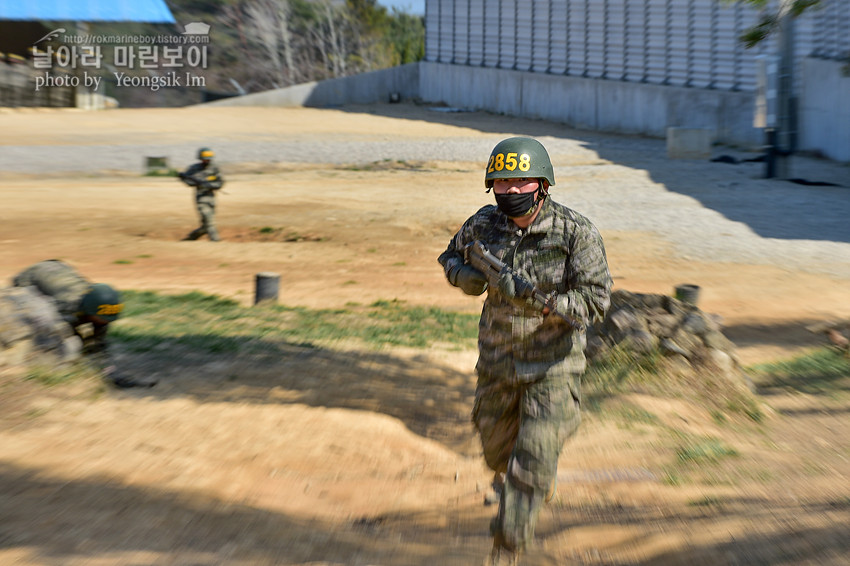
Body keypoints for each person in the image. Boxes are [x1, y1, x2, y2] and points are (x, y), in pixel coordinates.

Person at [437, 137, 612, 564]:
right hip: (498, 362)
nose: (511, 191)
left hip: (553, 367)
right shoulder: (483, 224)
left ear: (543, 184)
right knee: (496, 450)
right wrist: (463, 277)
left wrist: (537, 298)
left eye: (521, 181)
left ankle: (507, 544)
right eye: (501, 182)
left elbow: (594, 303)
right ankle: (523, 481)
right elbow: (448, 255)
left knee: (532, 456)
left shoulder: (575, 233)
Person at [12, 259, 154, 388]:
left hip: (57, 269)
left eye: (107, 320)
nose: (105, 323)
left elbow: (96, 345)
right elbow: (60, 337)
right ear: (90, 311)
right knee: (44, 330)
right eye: (102, 319)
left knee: (77, 340)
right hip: (29, 280)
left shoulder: (99, 308)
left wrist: (108, 372)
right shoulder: (67, 305)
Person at [178, 147, 225, 241]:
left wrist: (209, 185)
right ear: (200, 158)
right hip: (201, 198)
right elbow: (187, 180)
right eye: (205, 158)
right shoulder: (194, 168)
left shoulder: (215, 168)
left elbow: (220, 182)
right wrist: (193, 182)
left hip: (211, 198)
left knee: (206, 225)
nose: (207, 160)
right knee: (210, 221)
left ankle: (192, 237)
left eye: (209, 158)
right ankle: (215, 240)